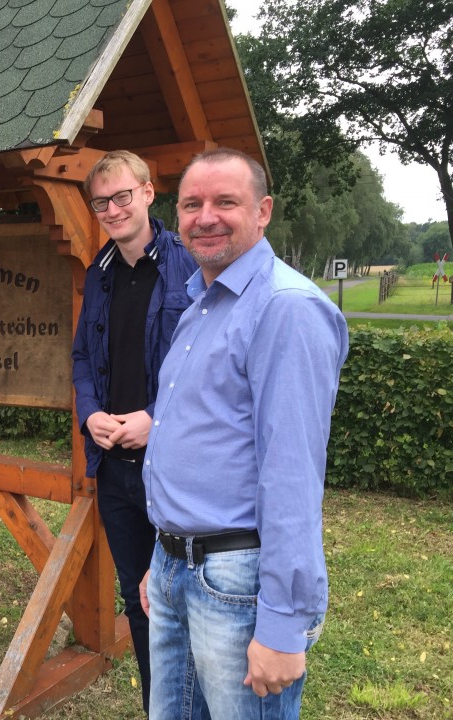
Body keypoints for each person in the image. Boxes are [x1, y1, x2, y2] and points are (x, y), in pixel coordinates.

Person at [139, 148, 349, 719]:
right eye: (191, 204)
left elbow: (292, 477)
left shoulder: (286, 309)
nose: (205, 216)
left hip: (238, 581)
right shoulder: (200, 305)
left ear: (263, 211)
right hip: (177, 568)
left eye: (224, 201)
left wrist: (282, 625)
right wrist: (164, 559)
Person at [72, 150, 198, 713]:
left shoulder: (189, 266)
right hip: (113, 473)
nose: (113, 209)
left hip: (170, 471)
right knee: (137, 599)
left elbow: (206, 367)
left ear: (149, 193)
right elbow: (81, 356)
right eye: (102, 201)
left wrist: (157, 420)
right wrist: (90, 412)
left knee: (180, 599)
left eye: (123, 196)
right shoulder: (96, 276)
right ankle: (158, 706)